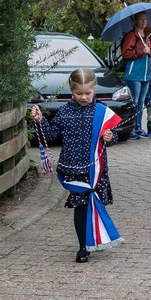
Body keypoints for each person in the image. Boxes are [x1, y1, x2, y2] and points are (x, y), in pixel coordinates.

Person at [30, 69, 121, 263]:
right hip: (73, 169)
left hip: (95, 170)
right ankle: (83, 247)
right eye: (79, 93)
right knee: (81, 206)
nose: (84, 97)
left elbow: (114, 135)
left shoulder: (102, 111)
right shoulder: (64, 112)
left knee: (94, 205)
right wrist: (40, 121)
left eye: (88, 93)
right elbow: (52, 135)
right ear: (72, 91)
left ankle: (95, 237)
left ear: (94, 89)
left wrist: (110, 137)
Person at [120, 11, 151, 139]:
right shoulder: (131, 36)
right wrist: (141, 51)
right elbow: (126, 53)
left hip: (145, 75)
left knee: (141, 102)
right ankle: (131, 128)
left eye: (145, 19)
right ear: (135, 21)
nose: (144, 22)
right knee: (134, 102)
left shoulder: (147, 36)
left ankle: (139, 127)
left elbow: (150, 57)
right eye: (141, 19)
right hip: (134, 75)